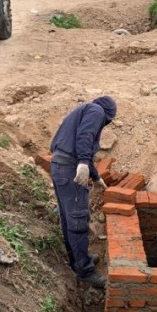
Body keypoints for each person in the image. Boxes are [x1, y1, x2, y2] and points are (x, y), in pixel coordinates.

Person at [49, 96, 118, 289]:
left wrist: (95, 177)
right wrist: (82, 162)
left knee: (68, 218)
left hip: (59, 166)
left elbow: (75, 141)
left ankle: (77, 260)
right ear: (108, 115)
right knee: (78, 221)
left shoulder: (83, 110)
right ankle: (85, 271)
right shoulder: (97, 111)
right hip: (70, 169)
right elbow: (85, 137)